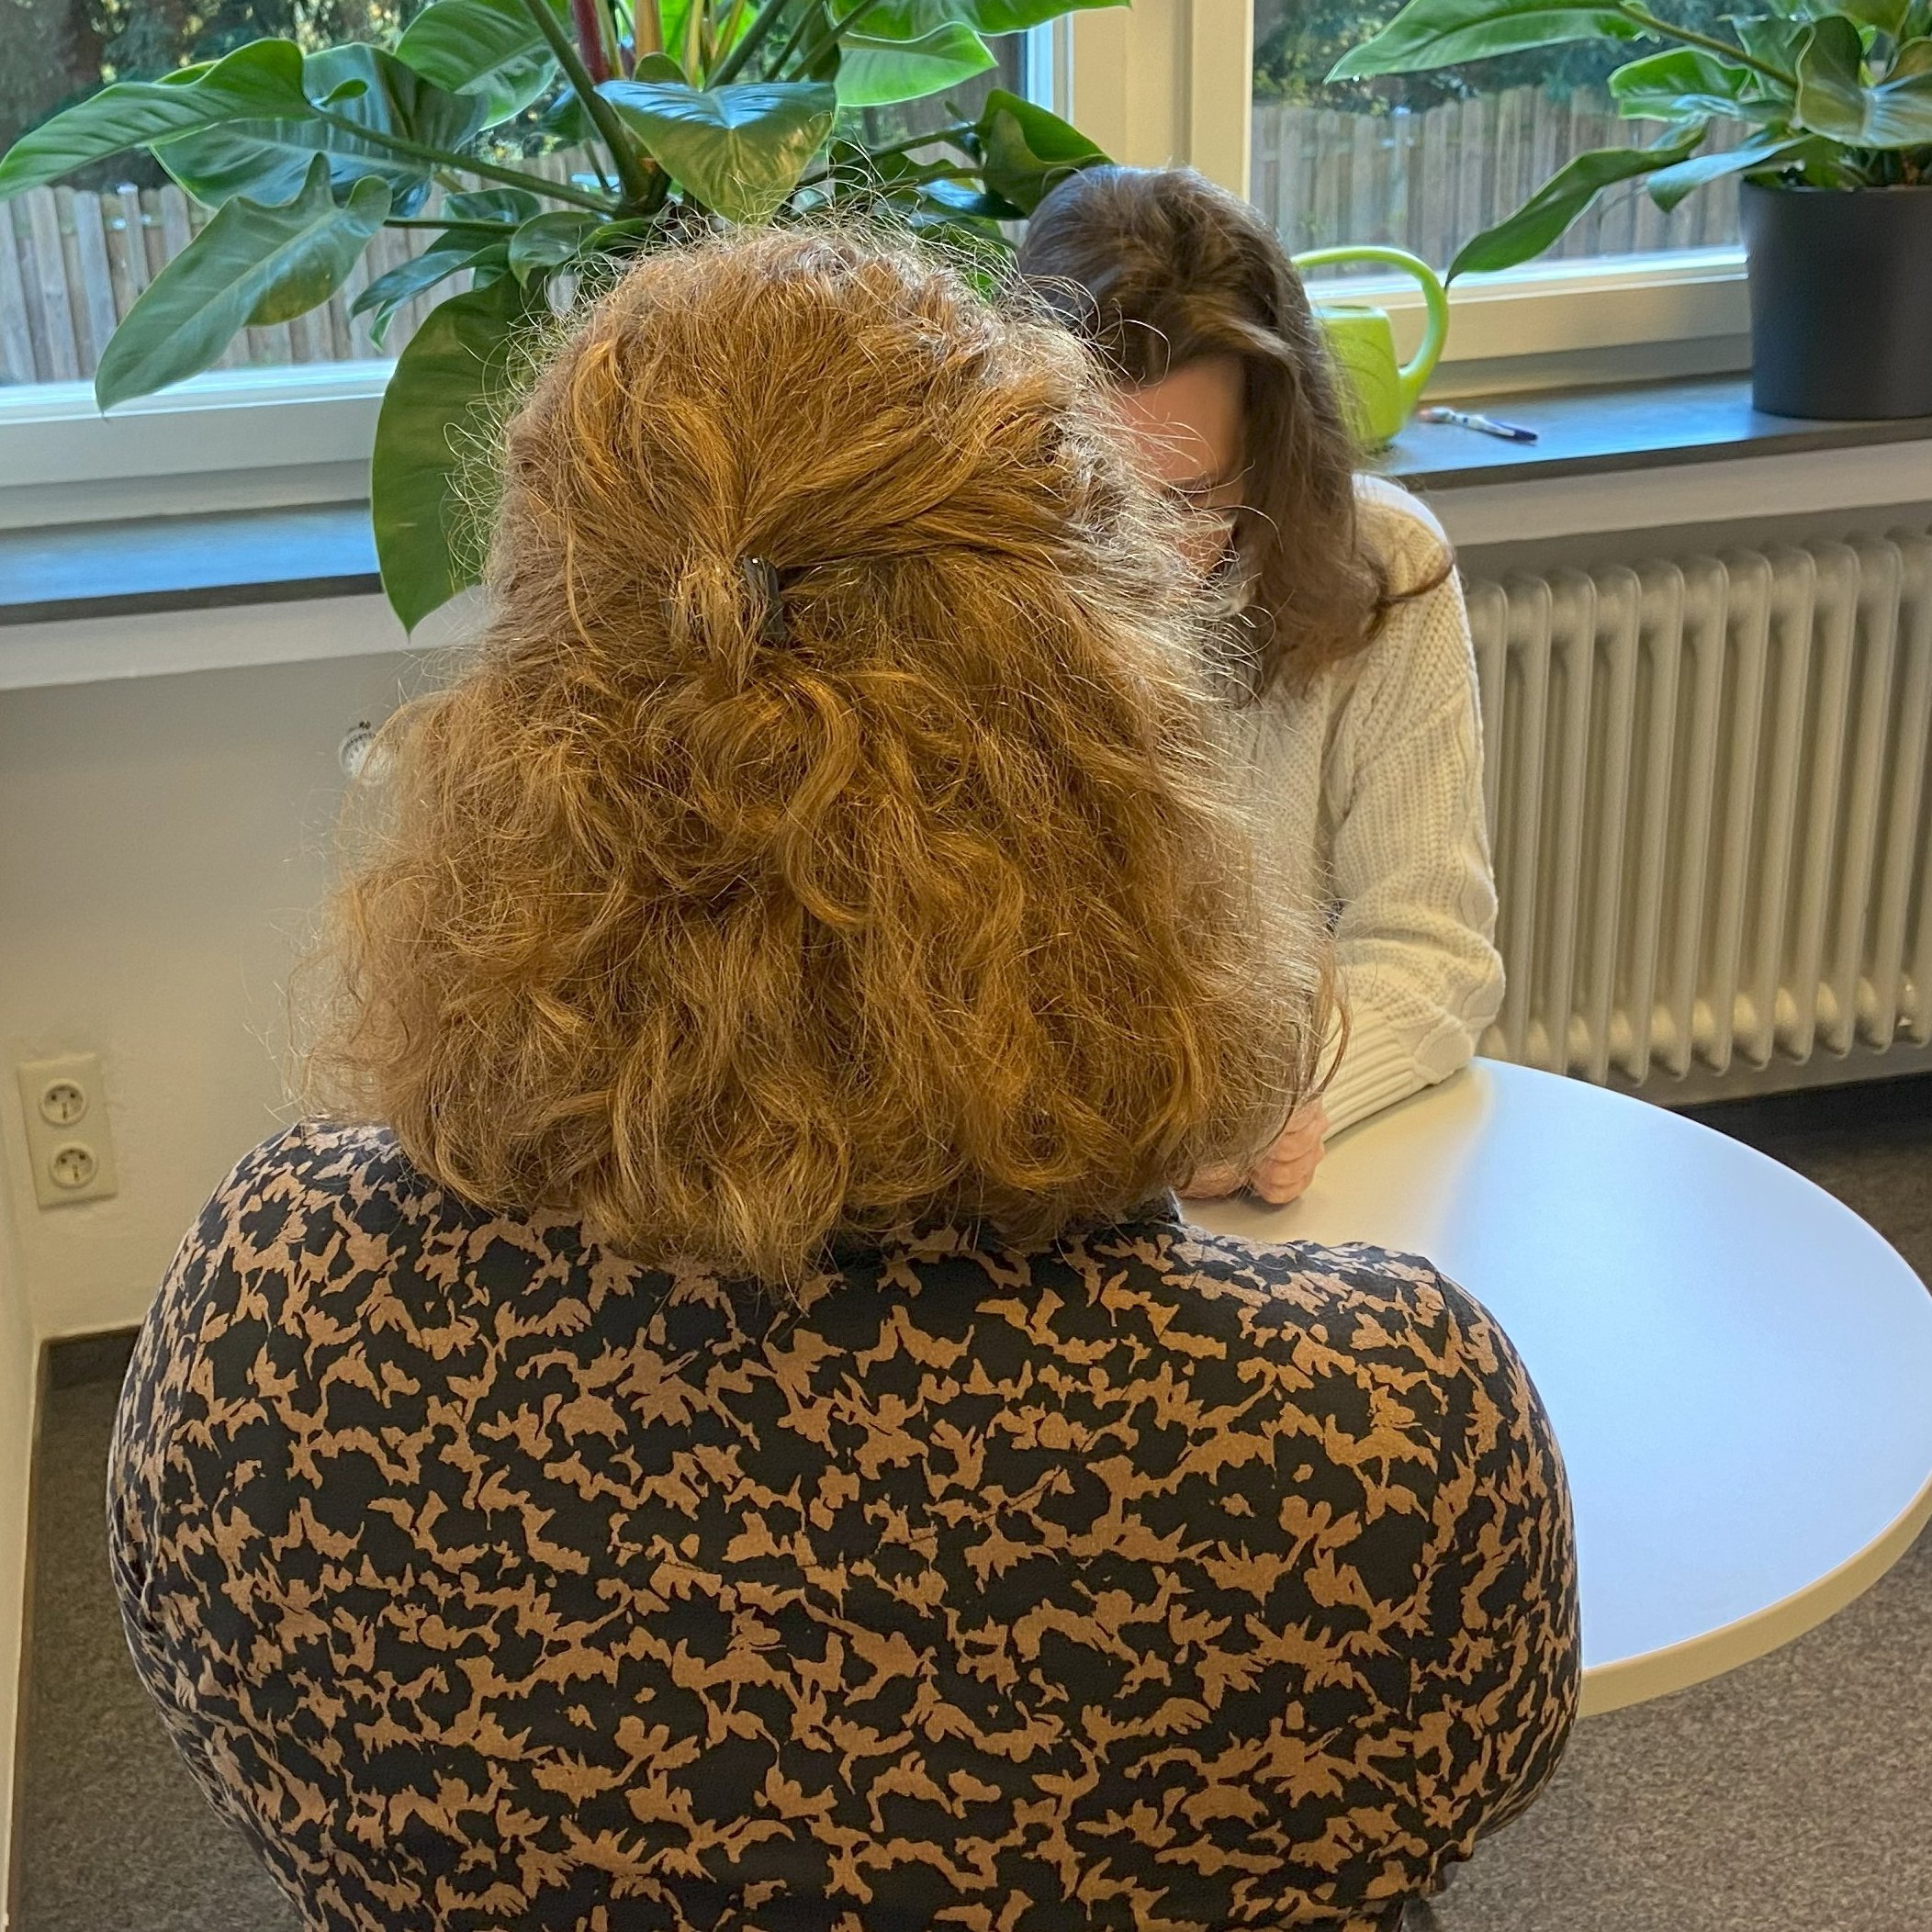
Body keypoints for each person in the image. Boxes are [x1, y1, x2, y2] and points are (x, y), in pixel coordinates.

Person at [108, 228, 1578, 1932]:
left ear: (520, 710)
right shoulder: (1379, 1441)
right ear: (1118, 727)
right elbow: (1462, 1778)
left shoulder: (269, 1326)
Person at [1017, 165, 1505, 1207]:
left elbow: (1429, 949)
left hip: (1291, 1175)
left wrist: (1276, 1094)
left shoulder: (1383, 569)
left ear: (1272, 452)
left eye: (1192, 495)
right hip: (1031, 1180)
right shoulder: (965, 591)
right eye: (1102, 500)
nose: (1147, 557)